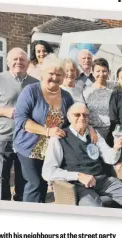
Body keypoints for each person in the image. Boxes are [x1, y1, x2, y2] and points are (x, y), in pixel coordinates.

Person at [13, 54, 96, 203]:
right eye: (51, 73)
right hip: (29, 147)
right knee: (35, 184)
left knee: (44, 183)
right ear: (43, 73)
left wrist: (89, 127)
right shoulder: (31, 91)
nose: (55, 77)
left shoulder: (65, 96)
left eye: (59, 74)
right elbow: (21, 119)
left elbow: (74, 117)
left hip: (52, 149)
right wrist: (47, 131)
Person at [42, 102, 122, 209]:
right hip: (79, 185)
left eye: (85, 115)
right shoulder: (59, 138)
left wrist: (116, 147)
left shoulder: (94, 134)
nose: (82, 117)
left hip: (103, 181)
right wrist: (78, 176)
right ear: (69, 117)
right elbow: (47, 172)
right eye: (77, 114)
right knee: (95, 210)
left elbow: (110, 159)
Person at [0, 47, 38, 201]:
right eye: (15, 59)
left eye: (22, 59)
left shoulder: (35, 84)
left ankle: (19, 205)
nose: (18, 62)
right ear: (8, 62)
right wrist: (5, 112)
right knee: (0, 176)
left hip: (26, 138)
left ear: (28, 63)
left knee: (24, 176)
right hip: (3, 137)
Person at [82, 58, 115, 139]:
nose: (101, 74)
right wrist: (90, 129)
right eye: (98, 71)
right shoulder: (86, 90)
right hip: (92, 131)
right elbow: (84, 113)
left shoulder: (115, 89)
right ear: (92, 72)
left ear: (108, 72)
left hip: (111, 131)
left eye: (104, 71)